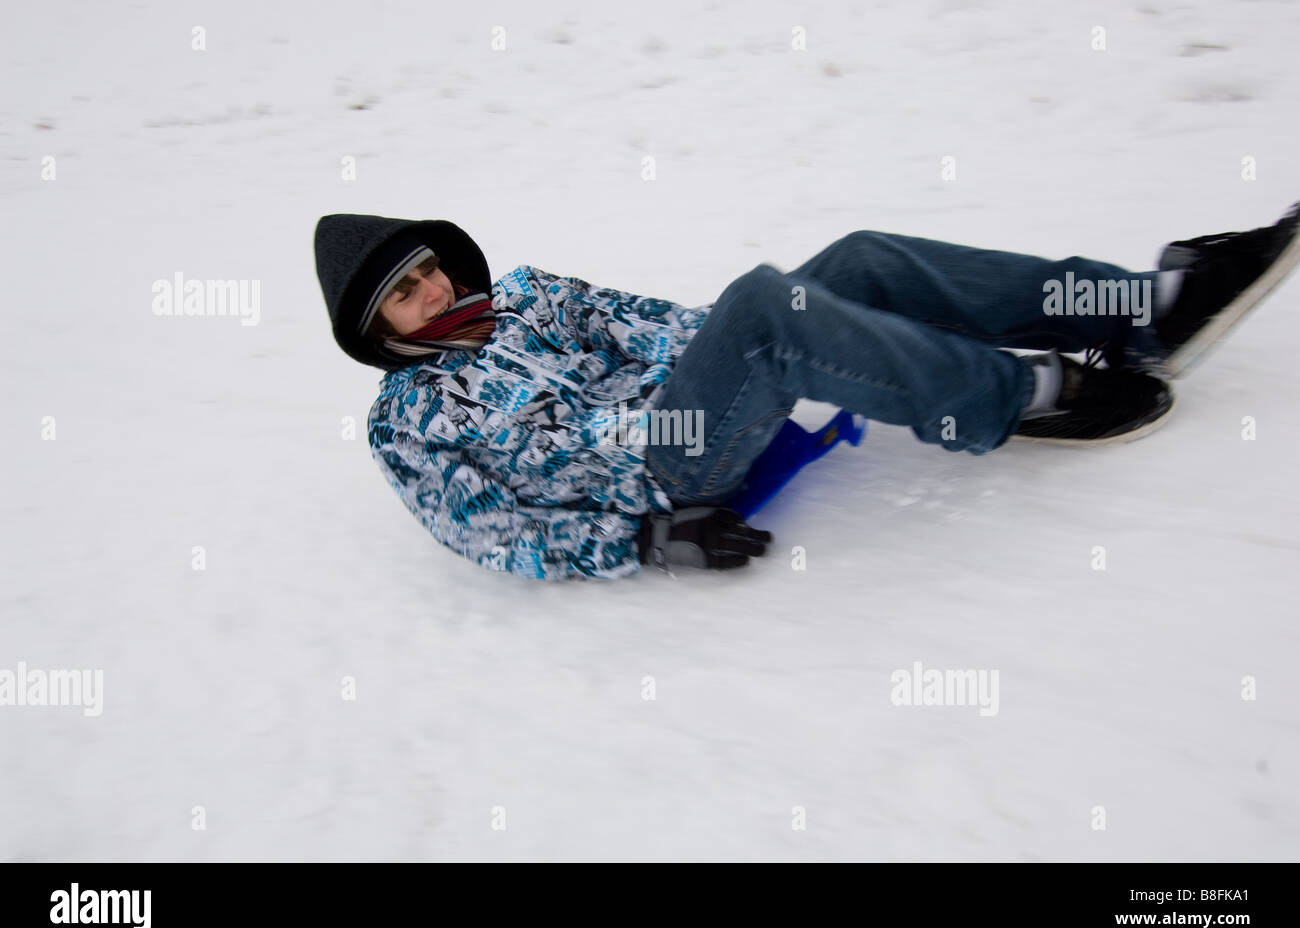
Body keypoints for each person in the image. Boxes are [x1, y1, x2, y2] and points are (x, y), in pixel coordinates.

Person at [313, 203, 1300, 580]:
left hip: (701, 392)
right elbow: (489, 533)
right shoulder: (408, 422)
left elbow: (661, 323)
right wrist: (643, 540)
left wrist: (757, 334)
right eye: (404, 291)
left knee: (853, 258)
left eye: (429, 267)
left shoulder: (526, 295)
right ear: (375, 325)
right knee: (766, 305)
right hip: (659, 473)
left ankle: (1138, 306)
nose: (434, 289)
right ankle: (1018, 395)